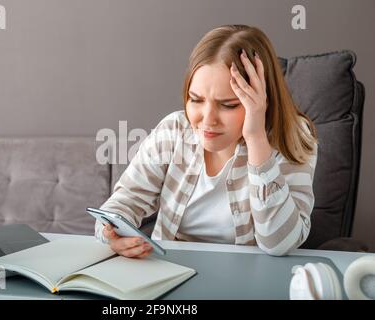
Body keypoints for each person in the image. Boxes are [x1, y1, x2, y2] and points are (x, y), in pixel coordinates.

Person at [94, 24, 318, 258]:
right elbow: (121, 205)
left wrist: (257, 139)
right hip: (170, 273)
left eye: (228, 105)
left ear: (263, 99)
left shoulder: (295, 136)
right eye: (196, 99)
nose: (207, 120)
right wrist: (113, 236)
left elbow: (279, 243)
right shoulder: (174, 130)